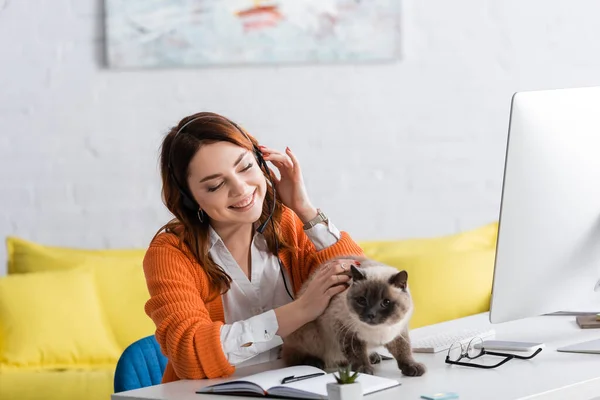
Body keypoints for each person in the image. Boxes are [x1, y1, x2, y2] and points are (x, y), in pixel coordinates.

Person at [143, 111, 365, 383]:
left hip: (302, 387)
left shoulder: (288, 223)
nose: (240, 189)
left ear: (261, 162)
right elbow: (190, 353)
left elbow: (363, 295)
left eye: (246, 167)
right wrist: (302, 310)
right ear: (190, 199)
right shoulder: (171, 252)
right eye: (215, 185)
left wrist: (305, 210)